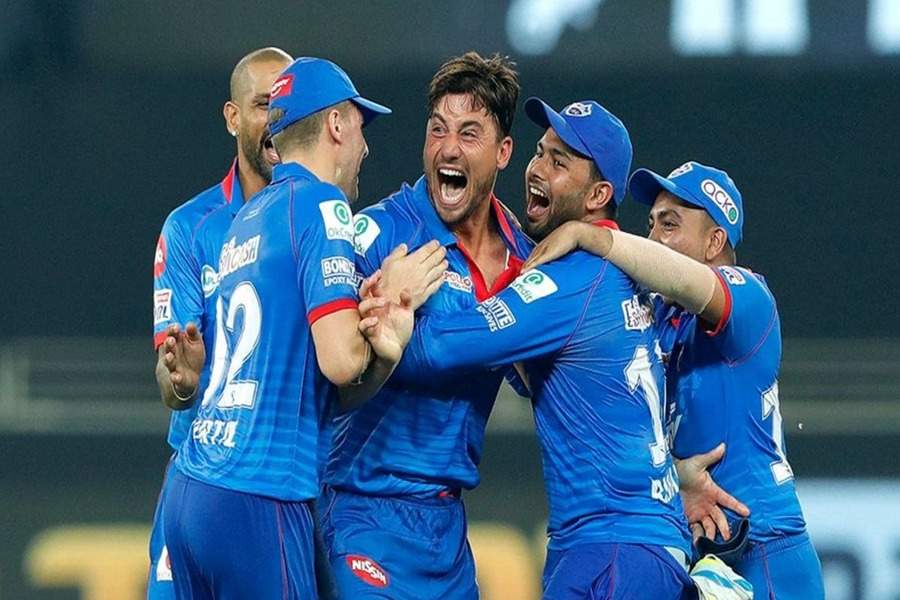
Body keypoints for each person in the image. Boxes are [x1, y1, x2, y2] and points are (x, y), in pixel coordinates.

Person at [363, 98, 698, 599]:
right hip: (639, 541)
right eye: (540, 152)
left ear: (598, 194)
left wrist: (386, 305)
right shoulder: (623, 274)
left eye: (559, 162)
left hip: (609, 549)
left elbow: (438, 349)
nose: (537, 169)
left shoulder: (570, 280)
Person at [161, 56, 443, 599]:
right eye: (360, 125)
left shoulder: (249, 217)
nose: (365, 147)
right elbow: (341, 362)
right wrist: (392, 299)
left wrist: (383, 351)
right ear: (336, 124)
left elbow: (318, 386)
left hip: (191, 489)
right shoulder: (322, 205)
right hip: (259, 494)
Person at [523, 160, 825, 598]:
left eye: (670, 224)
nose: (653, 238)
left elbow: (683, 278)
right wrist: (677, 475)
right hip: (702, 556)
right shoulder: (659, 320)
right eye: (651, 224)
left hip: (764, 550)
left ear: (714, 241)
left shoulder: (749, 298)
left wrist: (593, 236)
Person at [319, 52, 532, 599]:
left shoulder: (524, 263)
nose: (448, 148)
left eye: (469, 133)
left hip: (446, 532)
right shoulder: (378, 236)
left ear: (504, 152)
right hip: (362, 511)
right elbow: (321, 368)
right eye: (437, 129)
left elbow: (555, 386)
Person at [149, 46, 291, 599]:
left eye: (288, 103)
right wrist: (182, 383)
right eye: (263, 104)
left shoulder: (320, 223)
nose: (277, 118)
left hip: (280, 490)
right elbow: (171, 379)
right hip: (201, 482)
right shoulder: (191, 228)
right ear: (233, 117)